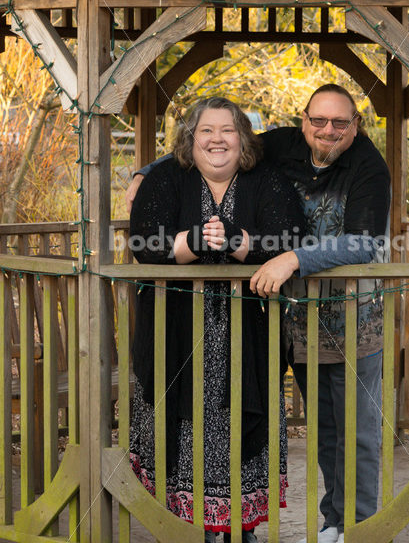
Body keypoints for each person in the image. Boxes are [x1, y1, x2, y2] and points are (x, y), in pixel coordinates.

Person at [127, 85, 391, 543]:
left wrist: (286, 257)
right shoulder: (285, 143)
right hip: (294, 320)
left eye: (340, 123)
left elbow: (361, 242)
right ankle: (208, 522)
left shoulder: (369, 168)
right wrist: (144, 171)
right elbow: (210, 146)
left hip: (348, 320)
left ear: (355, 125)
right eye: (319, 120)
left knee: (354, 428)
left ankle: (352, 526)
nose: (327, 130)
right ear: (304, 120)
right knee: (321, 427)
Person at [128, 97, 305, 543]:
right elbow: (144, 242)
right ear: (190, 138)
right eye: (206, 130)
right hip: (177, 330)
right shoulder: (167, 179)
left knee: (246, 420)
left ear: (243, 138)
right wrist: (192, 241)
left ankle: (242, 524)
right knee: (183, 424)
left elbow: (291, 239)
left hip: (249, 332)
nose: (217, 139)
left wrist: (238, 240)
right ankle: (193, 526)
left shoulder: (268, 180)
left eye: (227, 130)